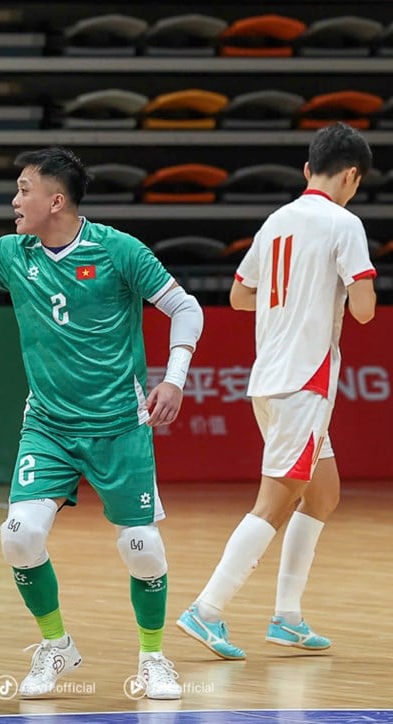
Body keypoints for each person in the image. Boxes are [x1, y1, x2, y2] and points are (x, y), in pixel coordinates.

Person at [0, 146, 204, 700]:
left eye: (24, 189)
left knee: (141, 547)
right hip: (47, 425)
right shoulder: (10, 253)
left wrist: (175, 378)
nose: (14, 200)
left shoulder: (119, 250)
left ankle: (153, 657)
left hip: (120, 424)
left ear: (56, 200)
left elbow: (185, 307)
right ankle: (56, 646)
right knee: (19, 538)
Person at [177, 122, 376, 659]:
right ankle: (207, 608)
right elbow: (363, 310)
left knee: (324, 493)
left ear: (308, 170)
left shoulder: (275, 222)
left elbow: (241, 297)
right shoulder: (345, 223)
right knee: (276, 501)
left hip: (270, 378)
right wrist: (341, 290)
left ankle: (287, 617)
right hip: (304, 382)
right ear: (353, 175)